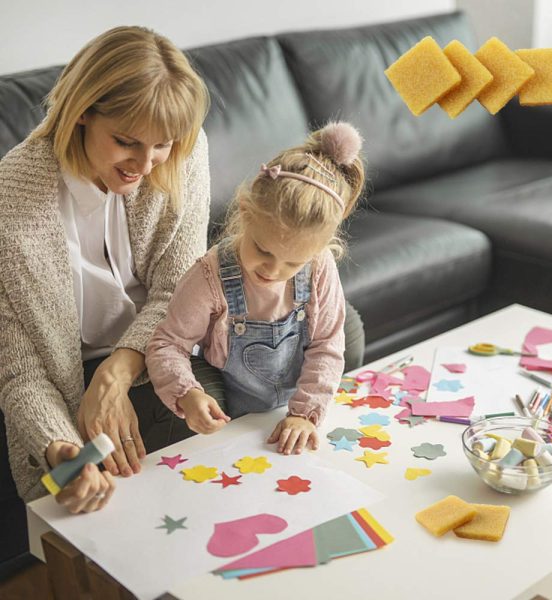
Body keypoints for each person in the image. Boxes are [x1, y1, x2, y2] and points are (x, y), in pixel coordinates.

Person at [0, 25, 211, 513]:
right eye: (126, 141)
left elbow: (179, 291)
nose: (146, 162)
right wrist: (60, 448)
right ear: (80, 116)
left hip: (164, 348)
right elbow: (19, 368)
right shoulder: (11, 198)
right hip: (75, 376)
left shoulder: (183, 149)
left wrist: (119, 369)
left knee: (332, 327)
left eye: (163, 145)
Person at [147, 122, 365, 455]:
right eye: (263, 250)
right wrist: (187, 394)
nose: (273, 270)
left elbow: (326, 345)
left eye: (293, 264)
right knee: (195, 412)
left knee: (347, 328)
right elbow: (167, 344)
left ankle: (315, 400)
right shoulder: (209, 275)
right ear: (246, 214)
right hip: (230, 393)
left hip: (295, 391)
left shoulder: (320, 265)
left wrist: (304, 415)